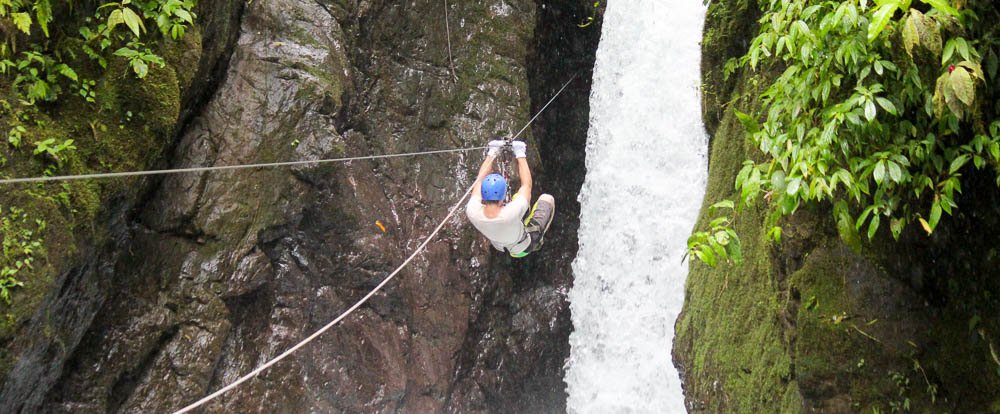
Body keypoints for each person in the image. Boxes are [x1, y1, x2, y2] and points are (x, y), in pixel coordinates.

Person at [466, 139, 555, 258]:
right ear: (503, 196)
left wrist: (491, 153)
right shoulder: (510, 212)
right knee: (547, 198)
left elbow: (479, 181)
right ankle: (539, 240)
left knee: (519, 199)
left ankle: (524, 217)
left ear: (483, 194)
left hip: (501, 243)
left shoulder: (472, 211)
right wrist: (520, 154)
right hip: (522, 248)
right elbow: (526, 185)